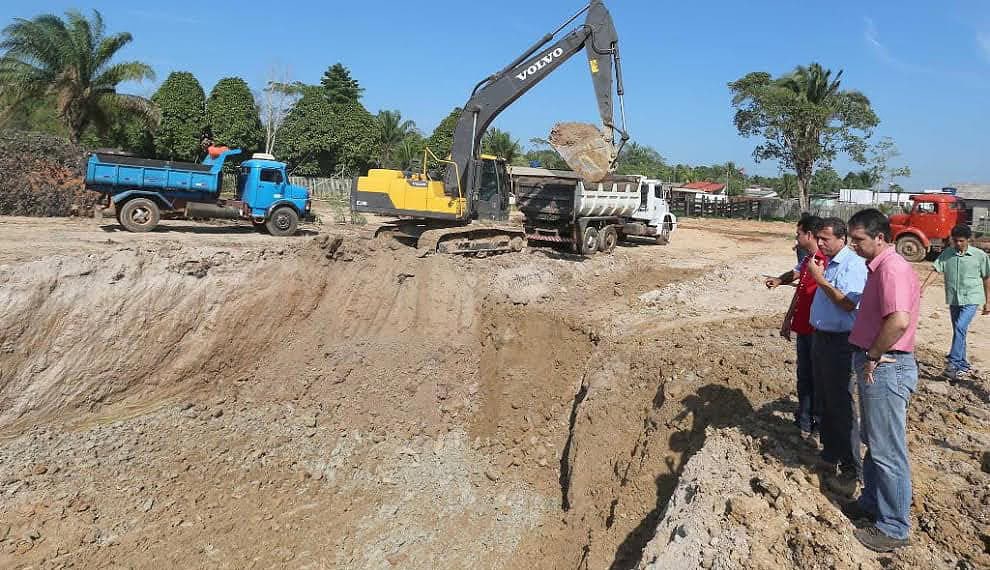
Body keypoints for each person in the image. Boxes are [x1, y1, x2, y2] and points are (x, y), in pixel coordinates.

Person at [843, 208, 921, 552]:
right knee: (875, 442)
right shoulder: (878, 268)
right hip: (879, 364)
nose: (853, 245)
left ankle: (893, 527)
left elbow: (899, 321)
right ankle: (873, 503)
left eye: (858, 240)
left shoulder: (891, 268)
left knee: (888, 451)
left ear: (880, 238)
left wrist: (873, 354)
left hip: (887, 366)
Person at [805, 217, 867, 495]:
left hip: (841, 342)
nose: (819, 243)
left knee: (841, 404)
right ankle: (830, 456)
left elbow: (847, 304)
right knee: (825, 399)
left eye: (825, 239)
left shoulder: (852, 266)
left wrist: (820, 280)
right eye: (818, 238)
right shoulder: (825, 261)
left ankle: (852, 469)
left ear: (841, 239)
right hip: (821, 339)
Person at [765, 214, 827, 438]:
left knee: (818, 378)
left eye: (798, 233)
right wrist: (788, 317)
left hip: (819, 330)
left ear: (809, 235)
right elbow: (798, 279)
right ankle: (804, 420)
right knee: (805, 376)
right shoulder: (808, 259)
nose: (796, 237)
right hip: (803, 327)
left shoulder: (826, 261)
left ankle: (819, 424)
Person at [931, 224, 990, 380]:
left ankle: (953, 363)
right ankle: (963, 365)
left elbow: (986, 278)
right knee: (959, 331)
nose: (958, 244)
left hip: (972, 298)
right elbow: (936, 270)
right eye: (955, 241)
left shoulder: (979, 256)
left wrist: (988, 302)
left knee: (960, 327)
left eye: (961, 241)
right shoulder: (947, 254)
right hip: (954, 298)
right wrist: (921, 289)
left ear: (968, 240)